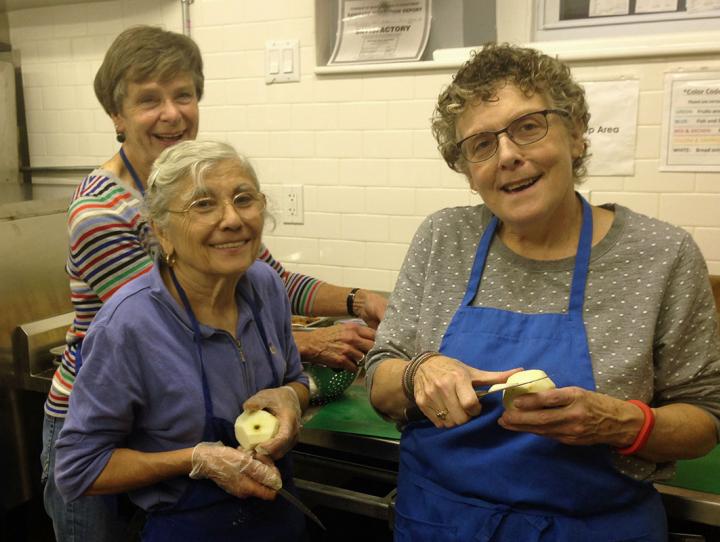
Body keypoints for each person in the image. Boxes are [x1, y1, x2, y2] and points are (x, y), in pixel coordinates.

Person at [41, 24, 385, 542]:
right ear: (117, 114)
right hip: (100, 423)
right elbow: (169, 325)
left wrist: (358, 301)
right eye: (149, 100)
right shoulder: (101, 215)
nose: (172, 113)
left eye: (184, 95)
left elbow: (266, 277)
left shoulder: (215, 195)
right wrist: (309, 342)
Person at [365, 43, 720, 541]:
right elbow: (380, 374)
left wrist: (620, 425)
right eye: (481, 145)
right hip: (441, 522)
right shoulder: (443, 238)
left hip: (593, 528)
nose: (508, 155)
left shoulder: (660, 254)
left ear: (576, 134)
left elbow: (704, 418)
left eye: (528, 127)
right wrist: (418, 372)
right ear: (468, 171)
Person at [54, 140, 308, 541]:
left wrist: (293, 396)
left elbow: (295, 378)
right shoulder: (128, 326)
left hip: (278, 521)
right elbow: (79, 468)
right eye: (203, 205)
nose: (232, 219)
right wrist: (196, 459)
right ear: (161, 231)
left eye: (244, 199)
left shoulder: (266, 287)